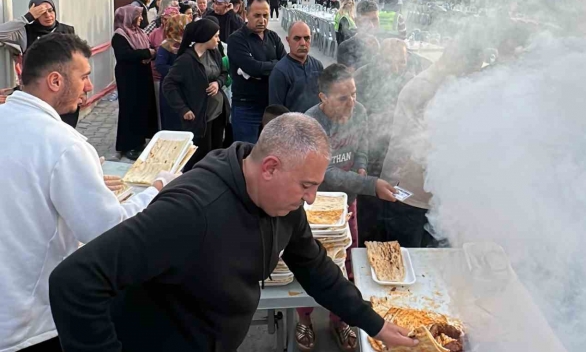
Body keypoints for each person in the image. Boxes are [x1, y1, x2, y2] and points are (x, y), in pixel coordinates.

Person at [49, 113, 418, 352]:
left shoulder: (282, 203)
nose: (310, 199)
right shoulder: (192, 211)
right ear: (270, 167)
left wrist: (374, 323)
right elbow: (74, 281)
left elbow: (315, 267)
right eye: (306, 185)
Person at [0, 33, 175, 352]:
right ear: (55, 80)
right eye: (84, 77)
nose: (89, 87)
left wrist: (88, 179)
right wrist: (158, 189)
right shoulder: (63, 143)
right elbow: (107, 231)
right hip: (28, 324)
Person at [300, 64, 398, 352]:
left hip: (349, 200)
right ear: (323, 97)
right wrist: (368, 184)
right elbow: (325, 174)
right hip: (316, 206)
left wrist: (362, 168)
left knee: (345, 264)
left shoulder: (360, 112)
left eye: (354, 94)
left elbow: (362, 147)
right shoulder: (310, 124)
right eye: (343, 98)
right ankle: (304, 318)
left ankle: (341, 320)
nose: (351, 102)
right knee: (310, 264)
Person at [380, 38, 485, 247]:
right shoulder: (423, 88)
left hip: (436, 196)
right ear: (456, 62)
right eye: (470, 71)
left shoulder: (447, 85)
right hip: (409, 193)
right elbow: (413, 144)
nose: (470, 78)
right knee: (406, 257)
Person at [353, 38, 413, 244]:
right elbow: (353, 119)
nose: (396, 67)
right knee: (368, 213)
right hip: (368, 155)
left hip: (397, 155)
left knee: (395, 208)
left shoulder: (411, 83)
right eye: (390, 61)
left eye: (402, 62)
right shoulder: (362, 77)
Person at [0, 0, 79, 127]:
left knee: (65, 130)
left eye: (50, 10)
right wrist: (27, 18)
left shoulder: (67, 30)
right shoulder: (25, 32)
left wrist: (80, 91)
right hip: (38, 93)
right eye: (41, 12)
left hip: (64, 90)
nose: (48, 15)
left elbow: (77, 61)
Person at [163, 19, 230, 171]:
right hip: (200, 116)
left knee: (216, 151)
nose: (218, 39)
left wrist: (217, 83)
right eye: (216, 36)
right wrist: (183, 109)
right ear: (205, 36)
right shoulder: (186, 60)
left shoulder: (214, 53)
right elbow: (169, 85)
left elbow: (224, 73)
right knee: (200, 156)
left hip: (218, 112)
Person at [227, 0, 286, 143]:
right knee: (247, 154)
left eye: (265, 15)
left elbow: (285, 64)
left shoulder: (273, 37)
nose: (262, 20)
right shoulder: (237, 39)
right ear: (247, 14)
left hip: (271, 106)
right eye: (257, 15)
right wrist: (274, 64)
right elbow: (253, 68)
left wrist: (263, 67)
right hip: (246, 107)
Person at [112, 5, 158, 160]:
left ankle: (140, 141)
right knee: (130, 109)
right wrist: (147, 53)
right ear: (128, 17)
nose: (141, 19)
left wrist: (151, 53)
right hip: (128, 77)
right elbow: (125, 55)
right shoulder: (120, 35)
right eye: (137, 16)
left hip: (142, 75)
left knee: (143, 107)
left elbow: (149, 48)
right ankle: (128, 145)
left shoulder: (140, 32)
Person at [269, 21, 323, 113]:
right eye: (297, 38)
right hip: (292, 125)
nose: (302, 43)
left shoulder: (317, 66)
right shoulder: (280, 71)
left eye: (306, 38)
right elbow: (275, 111)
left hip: (315, 123)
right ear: (288, 40)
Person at [156, 14, 191, 131]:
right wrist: (179, 73)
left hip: (186, 87)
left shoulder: (188, 43)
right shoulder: (166, 45)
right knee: (173, 121)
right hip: (171, 88)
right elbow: (160, 66)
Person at [336, 0, 380, 70]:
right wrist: (376, 54)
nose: (371, 25)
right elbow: (349, 78)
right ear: (357, 22)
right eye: (365, 20)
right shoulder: (346, 47)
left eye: (374, 20)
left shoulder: (383, 44)